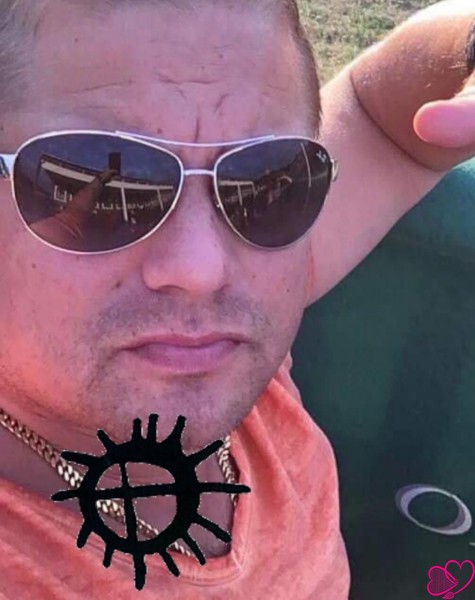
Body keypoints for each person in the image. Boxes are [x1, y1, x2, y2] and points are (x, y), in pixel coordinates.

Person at [0, 0, 474, 597]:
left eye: (267, 184)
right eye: (104, 190)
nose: (203, 269)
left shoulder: (251, 309)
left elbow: (381, 118)